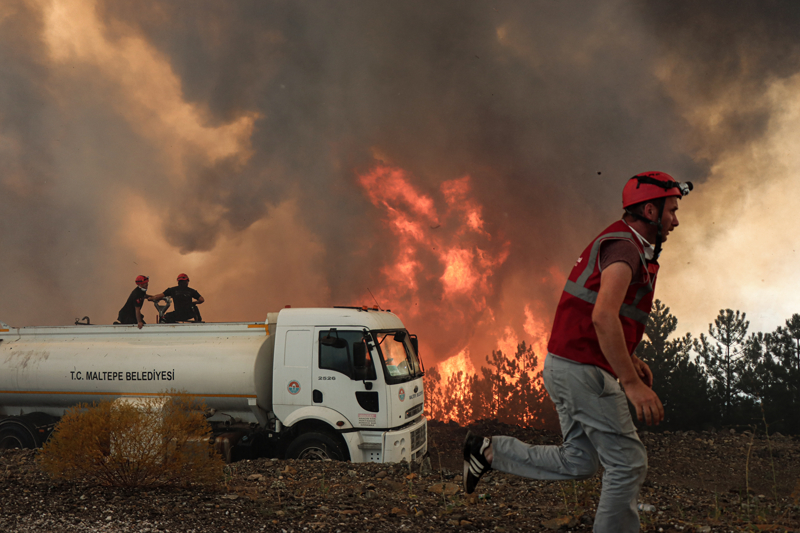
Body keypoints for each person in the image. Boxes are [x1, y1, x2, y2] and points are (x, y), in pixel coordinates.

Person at [463, 172, 693, 533]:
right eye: (672, 211)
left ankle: (489, 452)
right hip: (583, 373)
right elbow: (603, 317)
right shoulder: (625, 251)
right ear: (650, 210)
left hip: (565, 366)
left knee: (579, 460)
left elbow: (599, 315)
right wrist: (630, 382)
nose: (675, 220)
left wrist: (628, 357)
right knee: (628, 463)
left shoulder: (620, 241)